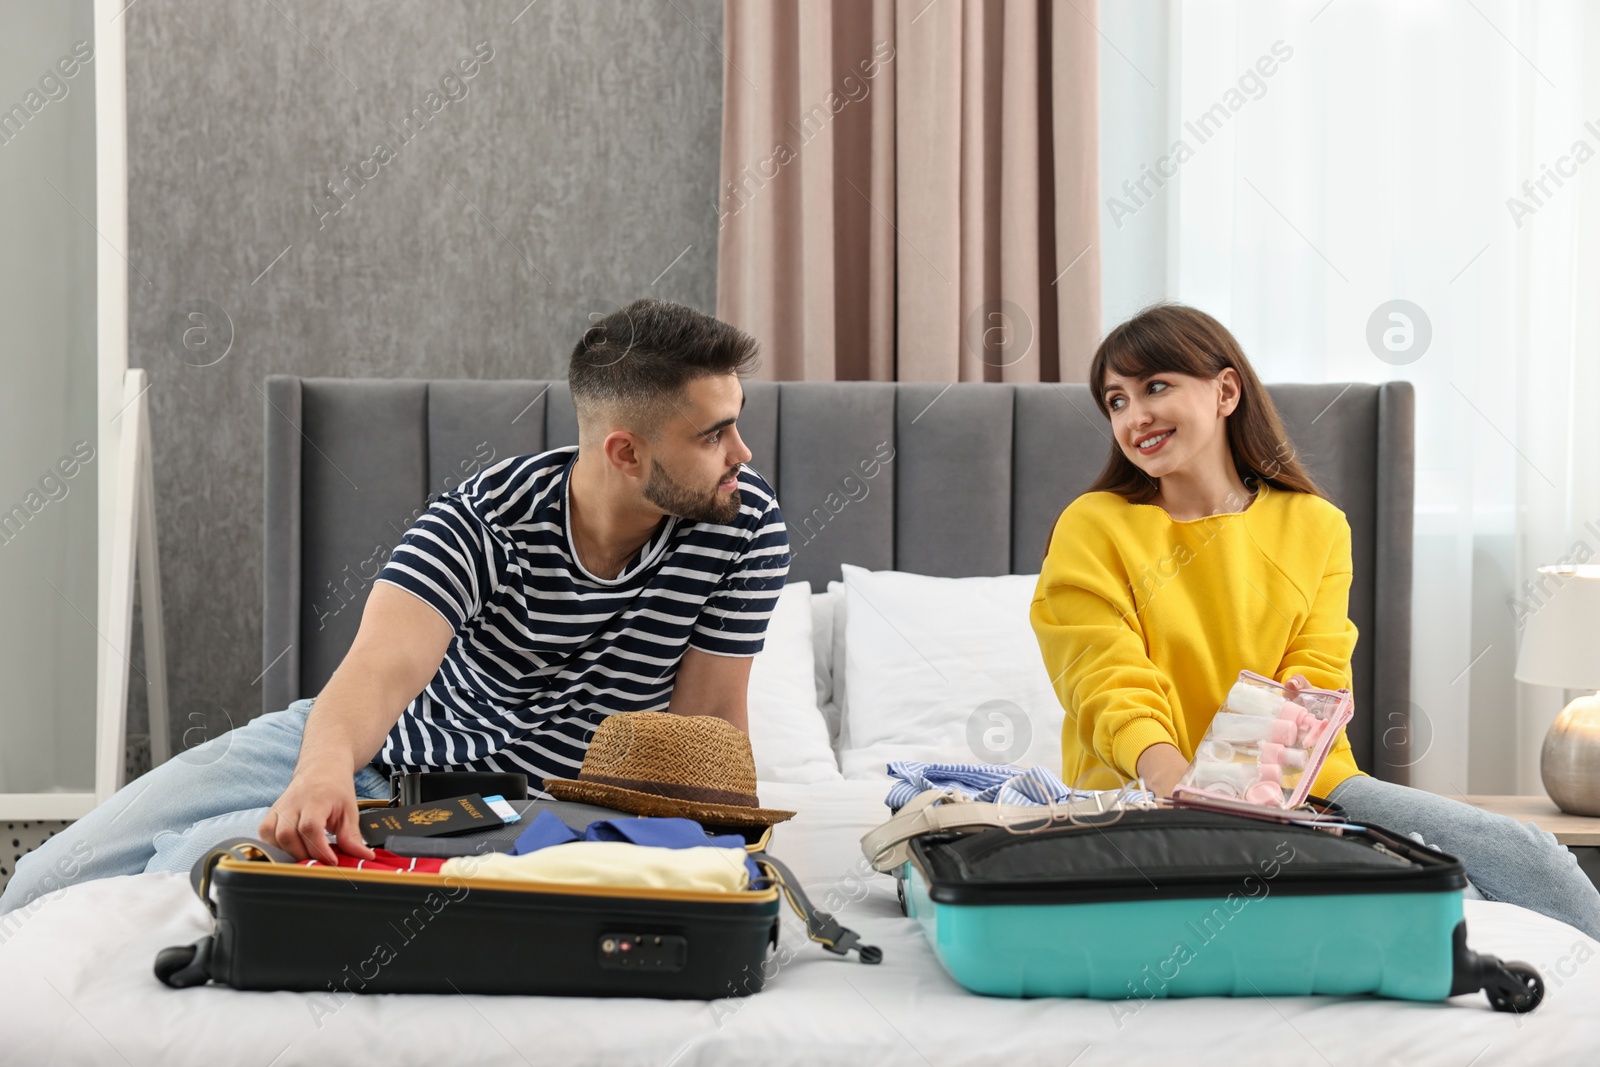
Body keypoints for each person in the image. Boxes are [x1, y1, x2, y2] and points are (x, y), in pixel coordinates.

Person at [0, 298, 789, 914]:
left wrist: (733, 866)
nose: (743, 454)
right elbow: (378, 670)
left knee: (176, 868)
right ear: (626, 452)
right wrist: (319, 770)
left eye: (738, 422)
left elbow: (708, 726)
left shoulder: (743, 524)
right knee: (45, 874)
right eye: (716, 434)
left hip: (486, 806)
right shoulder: (483, 521)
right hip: (361, 739)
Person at [1029, 302, 1600, 939]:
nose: (1135, 417)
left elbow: (1317, 667)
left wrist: (1253, 791)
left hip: (1304, 786)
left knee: (1535, 859)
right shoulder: (1094, 525)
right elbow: (1104, 677)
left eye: (1154, 387)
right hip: (1145, 793)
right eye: (1115, 401)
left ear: (1225, 390)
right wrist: (1184, 789)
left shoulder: (1316, 526)